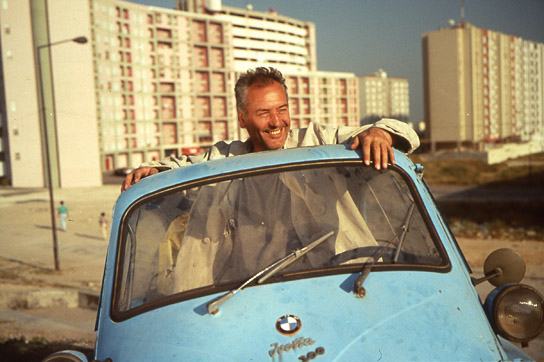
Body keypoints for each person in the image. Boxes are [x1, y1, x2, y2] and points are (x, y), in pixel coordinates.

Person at [121, 67, 419, 192]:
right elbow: (181, 167)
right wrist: (152, 170)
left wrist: (381, 133)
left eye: (282, 109)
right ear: (242, 119)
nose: (276, 122)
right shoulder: (226, 156)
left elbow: (406, 133)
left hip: (336, 271)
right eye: (263, 113)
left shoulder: (318, 140)